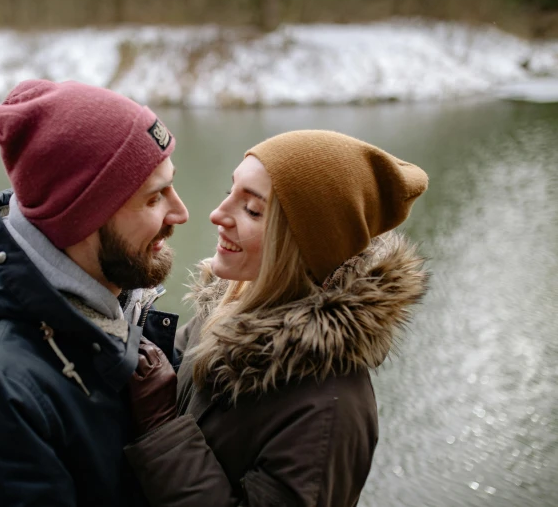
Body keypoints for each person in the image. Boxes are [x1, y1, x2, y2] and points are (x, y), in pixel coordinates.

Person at [0, 79, 189, 507]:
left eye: (171, 186)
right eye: (154, 198)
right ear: (83, 215)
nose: (181, 212)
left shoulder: (115, 309)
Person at [126, 130, 430, 506]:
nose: (217, 215)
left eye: (252, 210)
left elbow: (164, 413)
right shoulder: (232, 305)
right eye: (229, 192)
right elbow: (171, 374)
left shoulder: (329, 410)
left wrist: (160, 425)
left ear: (304, 244)